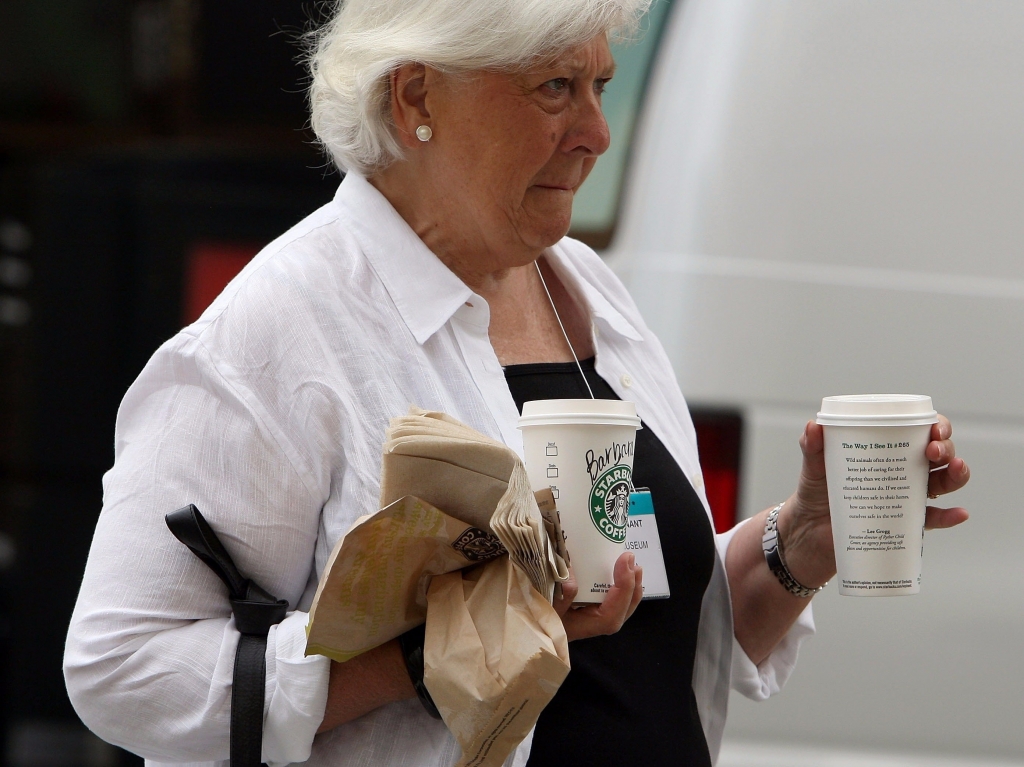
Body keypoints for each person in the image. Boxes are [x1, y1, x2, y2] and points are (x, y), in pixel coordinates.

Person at [63, 0, 971, 765]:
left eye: (600, 85)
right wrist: (422, 657)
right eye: (555, 88)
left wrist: (796, 543)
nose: (596, 132)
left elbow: (642, 628)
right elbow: (119, 665)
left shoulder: (586, 288)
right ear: (417, 94)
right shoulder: (280, 331)